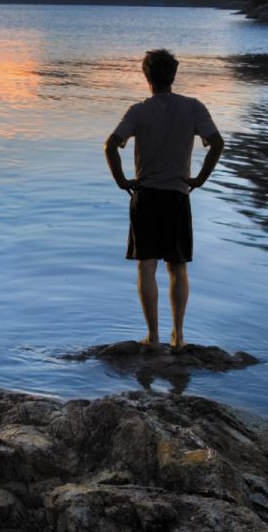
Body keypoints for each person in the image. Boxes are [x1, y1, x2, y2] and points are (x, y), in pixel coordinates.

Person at [104, 49, 224, 351]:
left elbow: (111, 145)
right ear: (174, 74)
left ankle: (153, 336)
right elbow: (217, 143)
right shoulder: (193, 107)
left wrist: (121, 181)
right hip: (176, 196)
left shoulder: (138, 111)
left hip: (144, 196)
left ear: (147, 77)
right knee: (178, 266)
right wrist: (199, 179)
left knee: (146, 266)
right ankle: (178, 337)